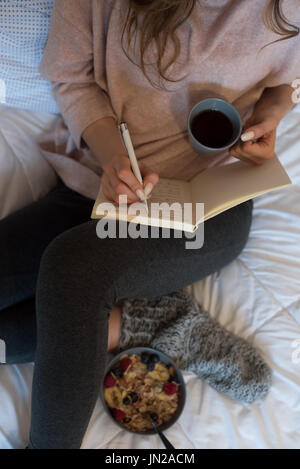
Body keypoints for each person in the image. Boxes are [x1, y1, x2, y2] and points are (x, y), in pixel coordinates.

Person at [0, 0, 299, 449]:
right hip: (101, 186)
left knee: (72, 267)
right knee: (73, 270)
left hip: (208, 204)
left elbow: (284, 80)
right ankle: (146, 322)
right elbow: (71, 78)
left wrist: (269, 118)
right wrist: (110, 157)